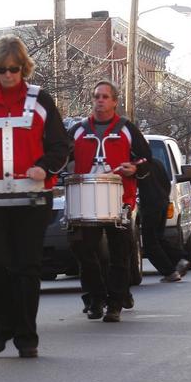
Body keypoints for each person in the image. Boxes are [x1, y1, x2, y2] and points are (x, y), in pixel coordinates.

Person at [0, 36, 68, 358]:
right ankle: (0, 327)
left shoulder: (40, 100)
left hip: (32, 197)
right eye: (1, 70)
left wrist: (44, 167)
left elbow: (60, 145)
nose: (8, 75)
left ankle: (26, 336)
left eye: (13, 69)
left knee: (27, 266)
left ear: (23, 68)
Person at [68, 81, 152, 323]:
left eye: (105, 96)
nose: (100, 100)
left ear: (115, 101)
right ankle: (95, 299)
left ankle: (115, 302)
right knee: (85, 251)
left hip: (120, 199)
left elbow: (146, 160)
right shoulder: (78, 130)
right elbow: (58, 154)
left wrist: (133, 167)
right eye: (96, 96)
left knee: (120, 252)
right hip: (86, 199)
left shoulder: (127, 129)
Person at [138, 158, 190, 282]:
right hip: (163, 202)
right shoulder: (157, 162)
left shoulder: (136, 165)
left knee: (150, 243)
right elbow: (166, 183)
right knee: (159, 238)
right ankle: (180, 259)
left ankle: (170, 272)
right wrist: (163, 198)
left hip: (150, 205)